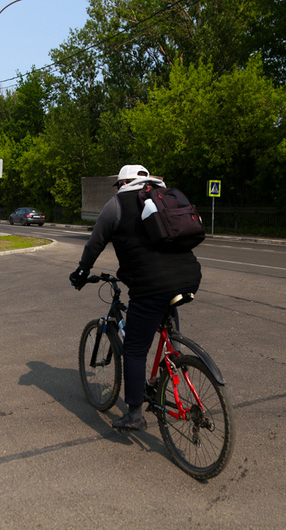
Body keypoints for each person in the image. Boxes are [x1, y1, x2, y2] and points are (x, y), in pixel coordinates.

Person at [69, 164, 202, 431]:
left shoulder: (116, 204)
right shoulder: (167, 197)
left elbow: (95, 242)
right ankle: (172, 363)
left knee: (133, 349)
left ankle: (134, 413)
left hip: (151, 286)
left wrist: (81, 273)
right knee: (165, 327)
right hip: (188, 278)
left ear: (123, 183)